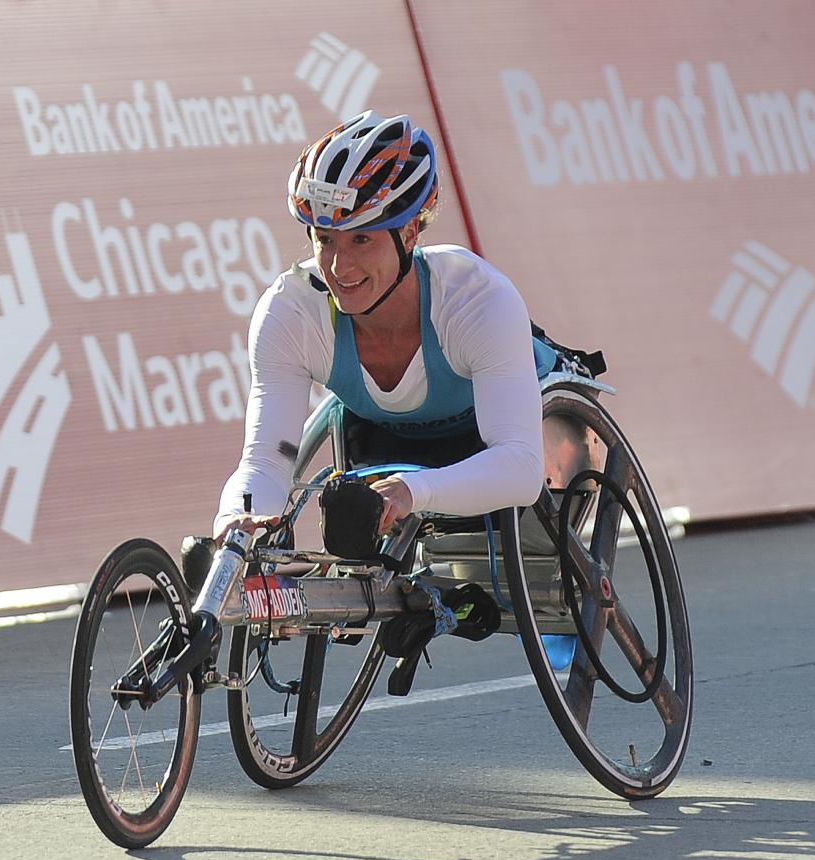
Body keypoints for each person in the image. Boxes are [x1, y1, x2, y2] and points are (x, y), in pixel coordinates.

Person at [214, 111, 558, 542]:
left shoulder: (477, 300)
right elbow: (265, 462)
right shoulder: (291, 312)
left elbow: (522, 467)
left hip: (499, 430)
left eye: (361, 239)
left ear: (410, 233)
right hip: (385, 438)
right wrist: (236, 520)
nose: (340, 266)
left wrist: (413, 490)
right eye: (325, 240)